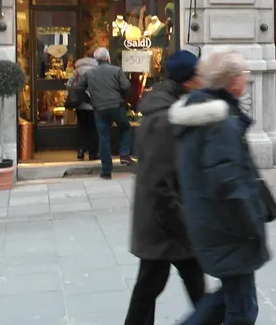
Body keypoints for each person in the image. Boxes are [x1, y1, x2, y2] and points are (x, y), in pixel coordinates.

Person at [169, 51, 269, 325]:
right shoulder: (220, 122)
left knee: (227, 300)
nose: (247, 79)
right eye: (244, 73)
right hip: (229, 229)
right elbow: (228, 181)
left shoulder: (202, 113)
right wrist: (251, 226)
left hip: (213, 224)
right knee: (242, 312)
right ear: (232, 81)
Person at [124, 50, 206, 325]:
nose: (202, 78)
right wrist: (185, 225)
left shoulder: (166, 106)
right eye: (198, 74)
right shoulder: (165, 118)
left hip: (162, 222)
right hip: (166, 223)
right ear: (187, 81)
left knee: (150, 290)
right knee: (155, 290)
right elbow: (160, 183)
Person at [74, 47, 134, 179]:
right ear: (108, 58)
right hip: (116, 105)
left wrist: (89, 99)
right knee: (125, 128)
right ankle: (124, 154)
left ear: (96, 59)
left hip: (99, 108)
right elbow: (126, 86)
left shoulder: (89, 73)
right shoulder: (116, 70)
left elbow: (78, 88)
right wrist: (123, 98)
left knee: (104, 138)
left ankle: (106, 171)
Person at [66, 56, 98, 160]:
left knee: (82, 128)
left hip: (80, 104)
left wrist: (78, 93)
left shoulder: (77, 70)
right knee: (93, 129)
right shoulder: (96, 70)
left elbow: (69, 84)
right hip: (93, 104)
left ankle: (81, 151)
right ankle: (92, 153)